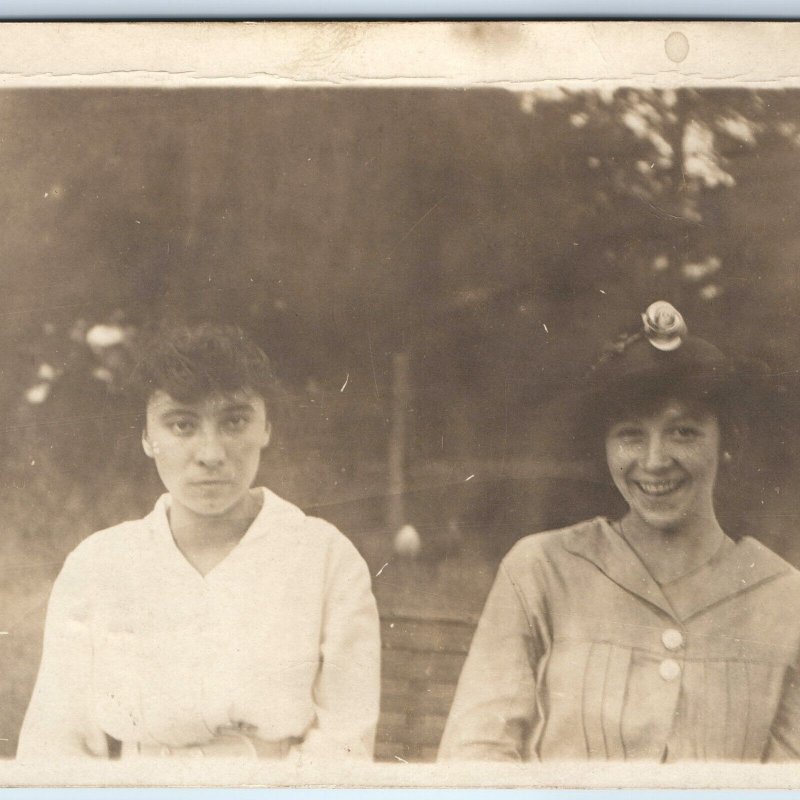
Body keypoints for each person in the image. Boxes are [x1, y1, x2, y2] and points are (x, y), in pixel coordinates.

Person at [438, 301, 800, 762]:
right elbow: (476, 759)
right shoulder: (541, 571)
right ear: (605, 447)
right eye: (630, 434)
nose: (653, 461)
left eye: (683, 432)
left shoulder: (785, 600)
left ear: (727, 442)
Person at [17, 323, 381, 761]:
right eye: (182, 425)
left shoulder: (324, 557)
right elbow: (55, 743)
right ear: (148, 438)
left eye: (234, 422)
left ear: (266, 427)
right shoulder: (100, 563)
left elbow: (346, 738)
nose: (211, 452)